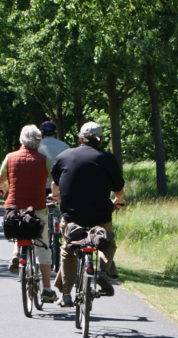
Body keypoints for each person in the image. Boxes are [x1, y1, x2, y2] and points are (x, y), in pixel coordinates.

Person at [51, 121, 125, 307]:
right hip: (100, 216)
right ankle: (101, 271)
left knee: (68, 249)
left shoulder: (63, 156)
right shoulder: (107, 158)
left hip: (71, 216)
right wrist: (118, 201)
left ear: (80, 138)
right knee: (108, 243)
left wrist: (56, 197)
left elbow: (56, 185)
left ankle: (66, 294)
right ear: (100, 140)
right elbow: (119, 189)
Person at [0, 124, 57, 303]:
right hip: (37, 208)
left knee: (17, 231)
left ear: (21, 139)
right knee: (44, 246)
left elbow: (1, 182)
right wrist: (54, 195)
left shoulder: (10, 157)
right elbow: (55, 181)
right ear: (38, 140)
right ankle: (46, 288)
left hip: (13, 208)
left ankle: (16, 253)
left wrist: (2, 190)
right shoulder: (44, 159)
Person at [37, 121, 69, 269]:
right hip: (61, 186)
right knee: (63, 213)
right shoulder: (65, 146)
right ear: (55, 132)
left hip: (42, 186)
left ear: (41, 132)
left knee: (42, 215)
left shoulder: (37, 146)